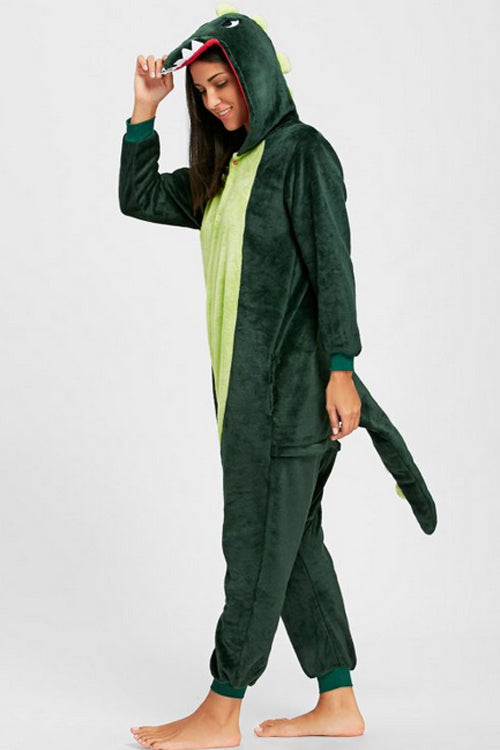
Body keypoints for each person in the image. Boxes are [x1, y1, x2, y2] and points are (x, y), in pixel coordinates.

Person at [119, 8, 437, 750]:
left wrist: (342, 369)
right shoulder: (224, 173)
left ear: (256, 74)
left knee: (255, 542)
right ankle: (338, 701)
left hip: (288, 397)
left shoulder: (301, 153)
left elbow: (333, 264)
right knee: (292, 543)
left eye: (223, 84)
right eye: (202, 91)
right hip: (245, 401)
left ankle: (220, 709)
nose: (213, 102)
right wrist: (143, 113)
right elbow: (139, 197)